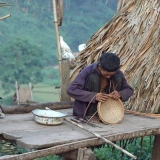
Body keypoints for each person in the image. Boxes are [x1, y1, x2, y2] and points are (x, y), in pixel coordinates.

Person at [67, 52, 134, 118]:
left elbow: (129, 90)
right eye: (106, 74)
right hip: (87, 111)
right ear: (99, 67)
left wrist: (120, 94)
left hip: (106, 109)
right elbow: (71, 89)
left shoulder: (118, 72)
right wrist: (94, 96)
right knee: (93, 78)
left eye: (111, 75)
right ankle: (92, 115)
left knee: (118, 78)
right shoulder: (88, 70)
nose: (108, 77)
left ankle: (109, 113)